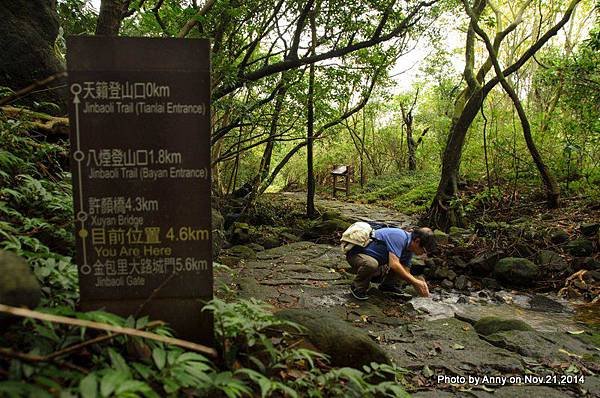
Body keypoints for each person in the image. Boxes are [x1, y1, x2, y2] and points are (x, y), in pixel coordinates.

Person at [346, 227, 436, 300]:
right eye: (423, 250)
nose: (423, 254)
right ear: (417, 241)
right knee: (371, 264)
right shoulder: (399, 237)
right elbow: (394, 264)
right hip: (356, 255)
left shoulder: (409, 250)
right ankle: (358, 287)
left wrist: (418, 285)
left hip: (377, 261)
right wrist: (415, 281)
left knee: (401, 267)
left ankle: (388, 286)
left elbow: (406, 270)